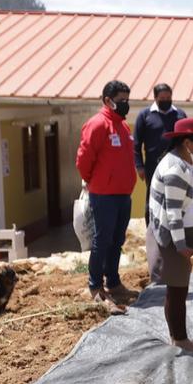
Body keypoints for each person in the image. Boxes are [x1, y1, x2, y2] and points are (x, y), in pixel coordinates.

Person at [148, 118, 193, 353]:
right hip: (174, 235)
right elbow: (173, 212)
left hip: (187, 232)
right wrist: (180, 245)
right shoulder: (175, 168)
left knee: (181, 286)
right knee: (177, 288)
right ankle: (179, 339)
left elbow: (192, 202)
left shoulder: (190, 164)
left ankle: (179, 336)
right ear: (188, 143)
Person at [75, 80, 136, 315]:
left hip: (123, 194)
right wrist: (95, 181)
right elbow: (84, 160)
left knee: (117, 240)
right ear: (107, 101)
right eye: (121, 100)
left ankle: (113, 282)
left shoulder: (123, 126)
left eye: (127, 100)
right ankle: (95, 287)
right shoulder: (97, 124)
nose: (125, 104)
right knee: (102, 241)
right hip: (104, 195)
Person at [134, 83, 187, 284]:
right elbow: (136, 144)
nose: (166, 100)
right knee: (153, 204)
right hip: (153, 169)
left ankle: (175, 239)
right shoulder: (145, 116)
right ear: (155, 98)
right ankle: (154, 238)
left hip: (176, 167)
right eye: (162, 98)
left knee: (175, 202)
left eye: (168, 97)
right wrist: (139, 166)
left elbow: (186, 140)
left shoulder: (180, 115)